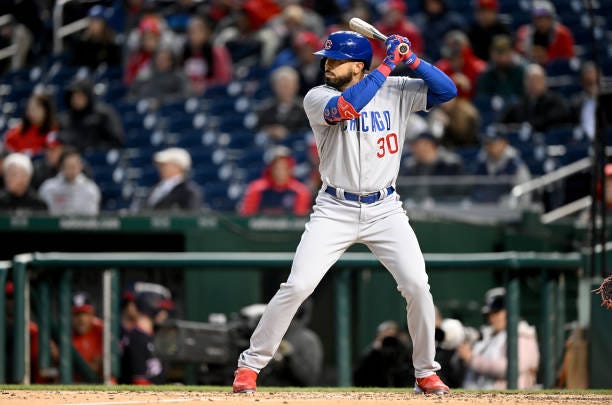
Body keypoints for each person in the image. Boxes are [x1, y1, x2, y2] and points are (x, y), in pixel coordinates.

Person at [232, 30, 457, 395]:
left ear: (356, 65)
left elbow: (448, 91)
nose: (327, 66)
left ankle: (425, 372)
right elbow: (347, 108)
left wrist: (411, 60)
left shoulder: (395, 87)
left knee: (417, 286)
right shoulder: (318, 96)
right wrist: (387, 63)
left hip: (385, 208)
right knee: (298, 285)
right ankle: (250, 365)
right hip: (335, 206)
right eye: (326, 60)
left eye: (335, 61)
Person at [458, 287, 540, 389]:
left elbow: (512, 368)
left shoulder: (523, 333)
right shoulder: (488, 335)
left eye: (496, 313)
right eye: (489, 314)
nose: (492, 318)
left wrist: (472, 359)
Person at [257, 299, 323, 387]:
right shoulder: (268, 334)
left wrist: (289, 356)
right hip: (265, 393)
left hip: (295, 395)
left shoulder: (308, 339)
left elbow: (309, 379)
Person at [119, 284, 173, 385]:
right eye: (162, 309)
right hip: (139, 397)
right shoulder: (136, 338)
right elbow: (139, 381)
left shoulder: (152, 335)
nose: (165, 314)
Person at [239, 146, 312, 216]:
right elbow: (247, 217)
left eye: (284, 166)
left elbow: (300, 221)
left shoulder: (300, 191)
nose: (280, 171)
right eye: (276, 167)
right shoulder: (256, 189)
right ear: (270, 168)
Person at [58, 78, 124, 151]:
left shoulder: (104, 114)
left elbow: (117, 141)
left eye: (80, 96)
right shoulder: (63, 119)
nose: (75, 100)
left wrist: (94, 150)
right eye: (73, 96)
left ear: (88, 96)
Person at [501, 64, 569, 133]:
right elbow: (504, 121)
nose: (532, 84)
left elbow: (555, 119)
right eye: (529, 80)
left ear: (544, 81)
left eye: (536, 80)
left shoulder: (555, 101)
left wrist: (530, 125)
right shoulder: (520, 103)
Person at [471, 127, 531, 204]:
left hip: (508, 212)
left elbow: (525, 196)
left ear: (504, 143)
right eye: (487, 142)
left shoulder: (515, 165)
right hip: (485, 211)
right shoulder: (482, 162)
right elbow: (475, 190)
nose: (488, 146)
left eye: (492, 142)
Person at [39, 148, 101, 216]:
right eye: (68, 166)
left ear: (80, 166)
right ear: (61, 167)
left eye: (74, 166)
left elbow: (93, 218)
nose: (72, 171)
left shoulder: (90, 189)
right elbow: (43, 214)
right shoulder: (48, 187)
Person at [256, 66, 309, 142]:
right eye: (280, 86)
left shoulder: (304, 109)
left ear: (296, 87)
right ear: (274, 87)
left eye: (287, 85)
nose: (284, 89)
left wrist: (287, 134)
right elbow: (257, 130)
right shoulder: (265, 109)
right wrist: (269, 131)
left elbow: (306, 133)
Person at [353, 320, 414, 387]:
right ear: (378, 336)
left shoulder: (404, 351)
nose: (389, 341)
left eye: (393, 336)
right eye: (386, 336)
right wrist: (373, 350)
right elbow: (359, 375)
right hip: (378, 385)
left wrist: (404, 346)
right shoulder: (373, 352)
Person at [181, 16, 232, 95]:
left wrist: (205, 86)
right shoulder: (186, 53)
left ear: (207, 33)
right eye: (190, 32)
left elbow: (224, 79)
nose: (193, 36)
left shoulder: (217, 52)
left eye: (198, 31)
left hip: (213, 95)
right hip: (190, 95)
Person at [515, 0, 575, 66]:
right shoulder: (524, 33)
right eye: (539, 18)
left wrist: (547, 60)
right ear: (533, 19)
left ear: (552, 18)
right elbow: (518, 59)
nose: (542, 22)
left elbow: (569, 60)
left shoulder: (563, 34)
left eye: (546, 18)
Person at [143, 147, 203, 211]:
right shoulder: (157, 187)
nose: (160, 168)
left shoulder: (188, 191)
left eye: (164, 165)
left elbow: (191, 215)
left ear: (177, 166)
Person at [475, 35, 526, 104]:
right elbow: (481, 99)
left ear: (512, 53)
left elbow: (524, 99)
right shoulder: (485, 75)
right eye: (499, 54)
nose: (503, 58)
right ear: (491, 53)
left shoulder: (520, 72)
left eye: (506, 53)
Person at [435, 30, 486, 100]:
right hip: (447, 104)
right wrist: (451, 82)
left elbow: (482, 97)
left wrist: (469, 87)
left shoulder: (479, 68)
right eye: (450, 47)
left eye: (456, 46)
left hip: (471, 104)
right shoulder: (441, 68)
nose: (453, 49)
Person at [4, 92, 58, 156]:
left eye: (35, 109)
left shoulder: (56, 130)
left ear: (46, 109)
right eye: (29, 109)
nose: (31, 113)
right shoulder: (18, 132)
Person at [69, 5, 121, 70]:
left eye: (97, 21)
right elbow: (76, 67)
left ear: (104, 24)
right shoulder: (82, 45)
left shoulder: (112, 46)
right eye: (91, 21)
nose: (93, 25)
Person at [71, 291, 104, 381]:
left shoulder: (101, 330)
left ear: (92, 314)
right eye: (77, 314)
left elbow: (100, 367)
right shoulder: (65, 334)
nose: (81, 319)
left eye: (85, 313)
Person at [570, 61, 599, 140]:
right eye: (587, 82)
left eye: (593, 82)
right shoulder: (576, 102)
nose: (589, 78)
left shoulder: (607, 100)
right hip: (583, 140)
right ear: (582, 82)